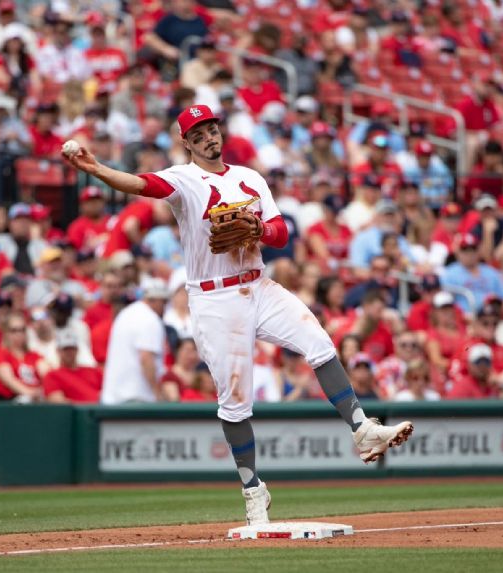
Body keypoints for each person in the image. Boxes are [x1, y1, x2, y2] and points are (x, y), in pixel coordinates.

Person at [63, 103, 413, 525]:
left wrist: (259, 230)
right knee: (235, 403)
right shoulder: (183, 179)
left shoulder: (250, 178)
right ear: (187, 143)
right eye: (198, 134)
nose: (209, 138)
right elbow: (140, 185)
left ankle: (362, 430)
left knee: (319, 342)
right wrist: (97, 169)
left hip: (258, 285)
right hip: (214, 299)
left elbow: (281, 233)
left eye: (212, 129)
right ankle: (253, 490)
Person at [99, 279, 175, 404]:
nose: (165, 307)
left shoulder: (128, 313)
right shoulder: (149, 318)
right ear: (154, 300)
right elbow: (146, 358)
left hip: (113, 397)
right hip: (135, 398)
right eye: (164, 302)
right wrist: (158, 394)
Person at [0, 311, 49, 402]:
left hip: (36, 400)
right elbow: (10, 381)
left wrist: (44, 392)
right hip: (10, 403)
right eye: (14, 330)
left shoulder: (33, 355)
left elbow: (48, 375)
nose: (19, 334)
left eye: (22, 330)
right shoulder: (0, 355)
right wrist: (32, 393)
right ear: (6, 333)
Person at [42, 330, 103, 404]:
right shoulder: (52, 375)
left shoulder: (94, 371)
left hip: (102, 410)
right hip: (77, 414)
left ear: (77, 350)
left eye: (72, 348)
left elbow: (108, 393)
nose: (69, 352)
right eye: (65, 349)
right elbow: (58, 402)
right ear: (58, 351)